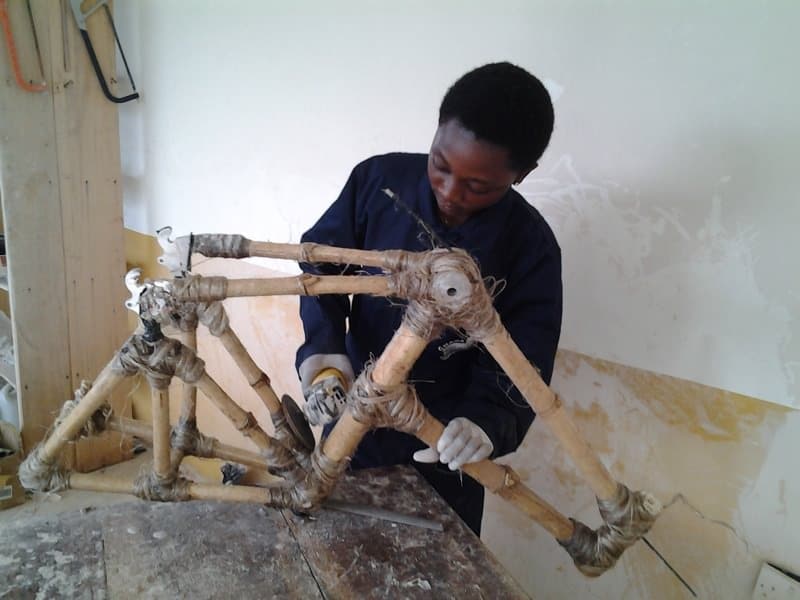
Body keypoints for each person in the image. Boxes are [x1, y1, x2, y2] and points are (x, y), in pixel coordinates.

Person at [295, 62, 562, 536]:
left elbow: (525, 363)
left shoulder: (532, 247)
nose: (449, 192)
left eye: (477, 186)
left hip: (444, 449)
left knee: (437, 571)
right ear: (436, 131)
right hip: (353, 417)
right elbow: (323, 270)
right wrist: (324, 349)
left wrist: (484, 424)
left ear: (522, 174)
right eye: (440, 164)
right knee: (333, 551)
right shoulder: (377, 182)